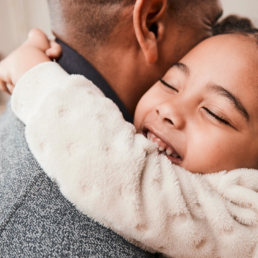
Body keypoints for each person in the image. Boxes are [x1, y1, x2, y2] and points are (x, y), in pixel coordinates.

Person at [1, 16, 258, 258]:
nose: (169, 109)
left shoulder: (247, 214)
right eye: (169, 83)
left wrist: (33, 74)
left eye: (215, 114)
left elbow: (119, 171)